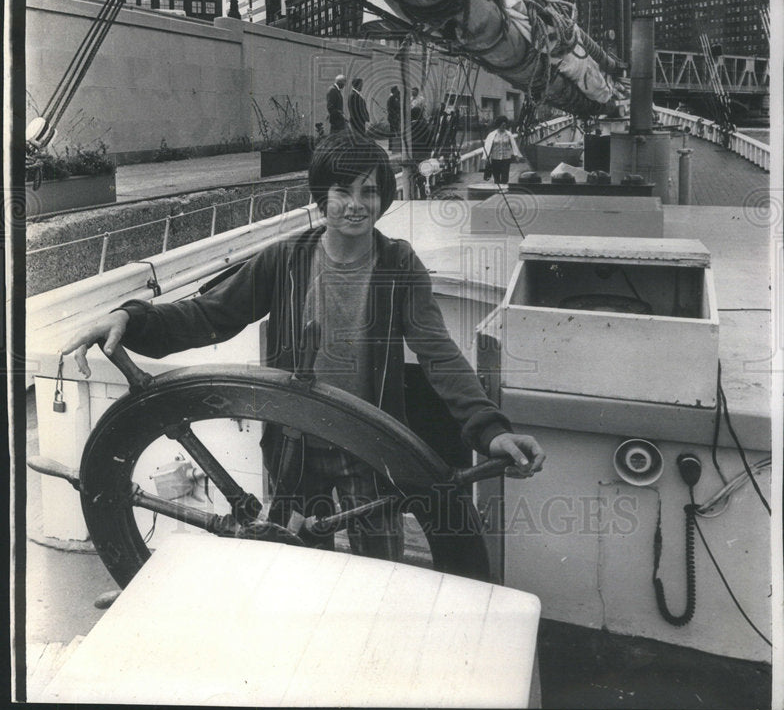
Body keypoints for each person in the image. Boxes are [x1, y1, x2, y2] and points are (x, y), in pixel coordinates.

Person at [62, 133, 544, 561]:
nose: (356, 204)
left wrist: (489, 429)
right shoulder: (286, 259)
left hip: (370, 448)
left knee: (381, 572)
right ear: (321, 198)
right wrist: (130, 316)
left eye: (369, 191)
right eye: (342, 191)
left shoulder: (400, 264)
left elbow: (439, 353)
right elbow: (210, 315)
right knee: (297, 573)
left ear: (384, 199)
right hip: (295, 448)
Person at [483, 115, 523, 186]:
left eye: (505, 125)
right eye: (503, 125)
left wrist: (516, 155)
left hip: (506, 158)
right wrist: (486, 157)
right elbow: (487, 146)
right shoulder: (492, 135)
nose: (504, 126)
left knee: (505, 177)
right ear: (499, 125)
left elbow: (513, 145)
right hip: (495, 159)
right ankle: (498, 191)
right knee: (496, 177)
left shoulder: (508, 134)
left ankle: (504, 189)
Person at [386, 85, 400, 151]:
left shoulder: (395, 97)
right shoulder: (391, 98)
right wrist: (396, 115)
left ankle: (392, 147)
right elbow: (390, 109)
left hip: (395, 117)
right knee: (393, 132)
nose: (398, 91)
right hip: (393, 117)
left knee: (394, 132)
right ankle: (392, 147)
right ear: (394, 91)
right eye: (397, 90)